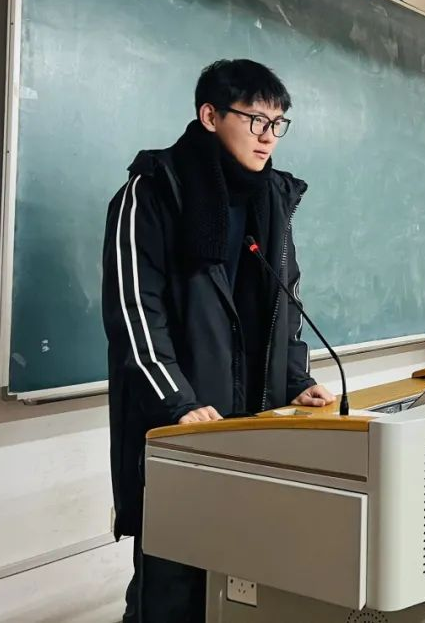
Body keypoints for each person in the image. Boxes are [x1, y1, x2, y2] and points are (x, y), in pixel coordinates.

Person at [101, 59, 335, 621]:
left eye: (277, 124)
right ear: (210, 116)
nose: (267, 136)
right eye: (255, 119)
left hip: (257, 425)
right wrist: (176, 403)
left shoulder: (273, 199)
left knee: (245, 587)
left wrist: (295, 381)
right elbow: (134, 313)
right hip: (181, 427)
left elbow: (284, 303)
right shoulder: (154, 192)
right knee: (171, 589)